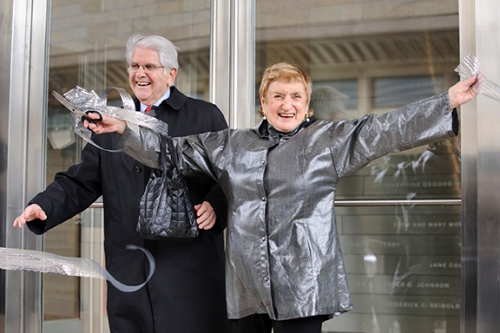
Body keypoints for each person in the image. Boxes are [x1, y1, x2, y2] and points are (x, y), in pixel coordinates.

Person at [82, 62, 478, 333]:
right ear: (263, 103)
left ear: (306, 106)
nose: (286, 104)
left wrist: (446, 102)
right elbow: (170, 150)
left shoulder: (327, 141)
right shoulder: (232, 144)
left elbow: (385, 129)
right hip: (247, 283)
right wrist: (121, 129)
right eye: (277, 96)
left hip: (303, 285)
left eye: (295, 97)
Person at [13, 34, 229, 333]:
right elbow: (82, 180)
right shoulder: (110, 121)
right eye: (134, 65)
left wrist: (216, 205)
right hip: (129, 266)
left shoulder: (203, 116)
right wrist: (43, 205)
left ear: (171, 73)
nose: (140, 74)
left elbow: (230, 176)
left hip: (188, 266)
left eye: (149, 66)